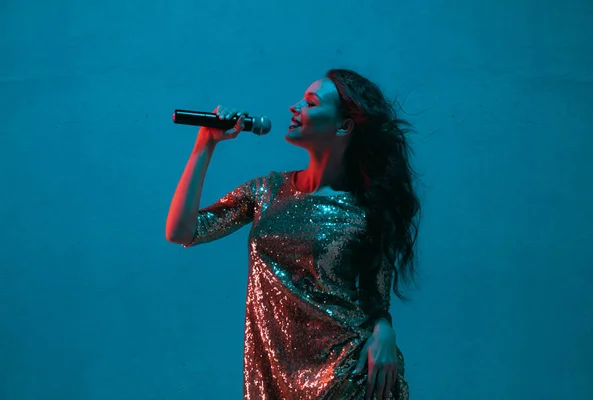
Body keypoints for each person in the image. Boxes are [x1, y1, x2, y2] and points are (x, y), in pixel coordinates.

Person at [165, 68, 421, 400]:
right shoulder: (266, 191)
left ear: (343, 125)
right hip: (274, 380)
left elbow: (376, 300)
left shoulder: (368, 209)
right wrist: (205, 145)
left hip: (344, 377)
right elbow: (182, 231)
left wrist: (385, 330)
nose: (294, 106)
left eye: (311, 103)